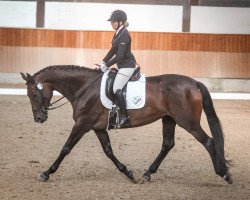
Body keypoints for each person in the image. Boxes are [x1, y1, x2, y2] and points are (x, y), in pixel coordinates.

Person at [99, 10, 136, 128]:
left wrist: (107, 65)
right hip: (122, 66)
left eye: (113, 22)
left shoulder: (125, 34)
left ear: (120, 22)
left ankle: (125, 117)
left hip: (128, 66)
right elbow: (112, 50)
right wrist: (103, 61)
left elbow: (119, 56)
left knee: (116, 88)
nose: (111, 24)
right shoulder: (118, 33)